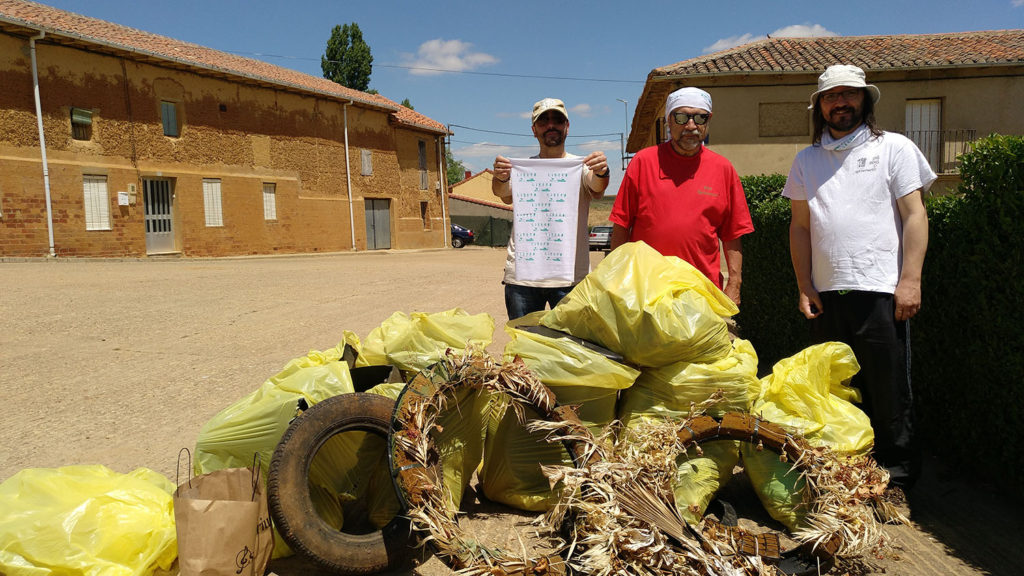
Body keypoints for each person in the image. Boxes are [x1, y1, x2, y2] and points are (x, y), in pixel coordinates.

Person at [783, 64, 935, 490]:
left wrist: (910, 281)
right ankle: (843, 480)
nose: (841, 103)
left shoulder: (895, 149)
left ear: (865, 100)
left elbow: (915, 215)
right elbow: (799, 227)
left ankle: (898, 483)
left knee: (890, 395)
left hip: (882, 293)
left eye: (850, 94)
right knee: (832, 393)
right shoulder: (806, 160)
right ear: (820, 106)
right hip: (827, 296)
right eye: (832, 96)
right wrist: (804, 286)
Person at [609, 87, 753, 305]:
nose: (691, 125)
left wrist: (735, 282)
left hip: (702, 293)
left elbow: (732, 234)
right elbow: (621, 225)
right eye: (682, 117)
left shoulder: (723, 169)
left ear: (708, 120)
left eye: (699, 117)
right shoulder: (643, 162)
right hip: (646, 291)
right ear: (669, 120)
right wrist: (615, 278)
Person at [492, 98, 610, 319]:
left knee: (570, 349)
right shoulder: (521, 169)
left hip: (571, 280)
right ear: (534, 130)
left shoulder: (582, 167)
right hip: (522, 280)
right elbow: (501, 193)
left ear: (567, 127)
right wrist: (499, 175)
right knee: (524, 347)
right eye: (543, 121)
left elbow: (598, 186)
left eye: (557, 120)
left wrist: (603, 170)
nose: (551, 125)